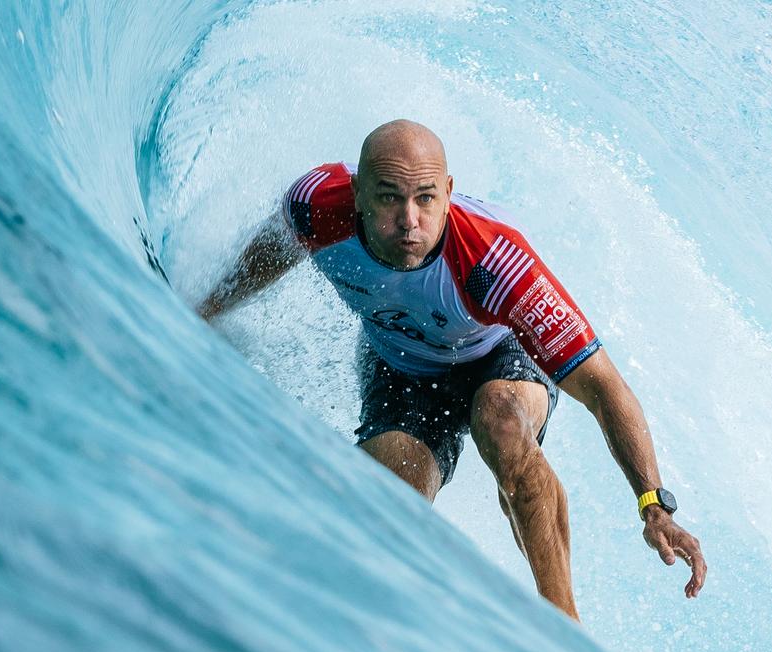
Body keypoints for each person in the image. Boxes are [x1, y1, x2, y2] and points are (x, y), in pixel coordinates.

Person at [198, 119, 705, 620]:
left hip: (499, 355)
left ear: (448, 192)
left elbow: (603, 388)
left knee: (502, 422)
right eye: (389, 197)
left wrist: (653, 503)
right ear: (357, 194)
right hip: (401, 364)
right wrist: (201, 313)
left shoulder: (494, 263)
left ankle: (563, 627)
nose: (408, 221)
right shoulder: (315, 207)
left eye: (425, 198)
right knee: (388, 497)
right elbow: (263, 259)